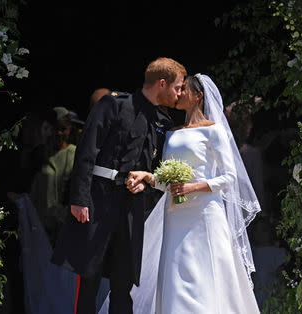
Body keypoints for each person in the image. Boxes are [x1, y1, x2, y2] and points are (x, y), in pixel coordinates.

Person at [114, 74, 261, 313]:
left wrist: (193, 187)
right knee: (175, 275)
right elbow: (168, 181)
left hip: (204, 213)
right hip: (175, 215)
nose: (178, 93)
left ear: (198, 96)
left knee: (205, 275)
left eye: (184, 90)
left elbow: (229, 177)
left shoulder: (213, 131)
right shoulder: (172, 133)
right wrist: (148, 177)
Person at [51, 57, 187, 314]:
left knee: (123, 282)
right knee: (89, 278)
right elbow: (87, 150)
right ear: (162, 83)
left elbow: (156, 168)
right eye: (178, 87)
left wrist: (145, 184)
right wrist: (79, 198)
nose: (179, 94)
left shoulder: (162, 121)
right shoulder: (114, 103)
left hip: (132, 207)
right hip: (98, 201)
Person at [30, 106, 84, 247]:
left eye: (63, 129)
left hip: (64, 228)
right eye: (55, 128)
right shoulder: (39, 154)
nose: (59, 133)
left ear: (69, 129)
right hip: (39, 229)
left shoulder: (75, 154)